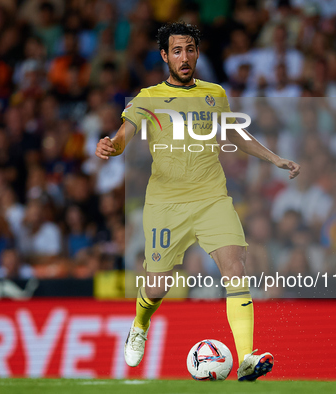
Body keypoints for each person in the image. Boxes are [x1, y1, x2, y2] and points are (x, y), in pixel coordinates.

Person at [95, 22, 301, 382]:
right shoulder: (149, 96)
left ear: (198, 52)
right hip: (166, 205)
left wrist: (275, 159)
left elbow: (236, 134)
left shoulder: (214, 93)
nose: (184, 57)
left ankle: (247, 358)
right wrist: (112, 146)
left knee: (235, 268)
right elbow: (124, 135)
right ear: (165, 56)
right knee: (157, 286)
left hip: (211, 199)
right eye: (177, 51)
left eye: (190, 49)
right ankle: (140, 324)